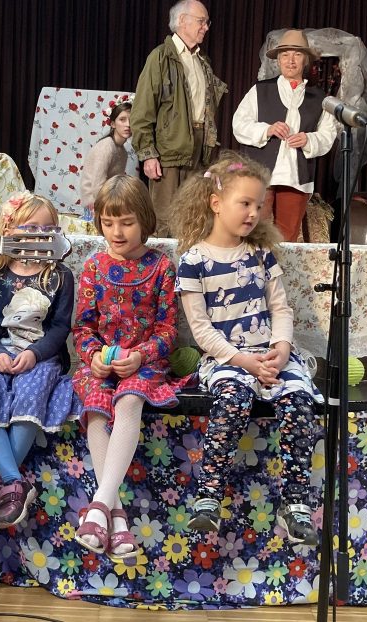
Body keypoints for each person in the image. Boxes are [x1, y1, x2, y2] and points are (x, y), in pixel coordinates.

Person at [173, 151, 324, 546]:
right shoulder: (193, 261)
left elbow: (281, 308)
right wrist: (244, 362)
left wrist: (282, 349)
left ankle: (295, 504)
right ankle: (209, 497)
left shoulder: (261, 255)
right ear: (216, 203)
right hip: (228, 358)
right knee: (233, 400)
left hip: (270, 355)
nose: (254, 213)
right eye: (245, 203)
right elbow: (201, 329)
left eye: (259, 205)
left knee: (298, 402)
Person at [72, 175, 185, 558]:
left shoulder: (162, 266)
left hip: (145, 364)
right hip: (101, 365)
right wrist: (93, 356)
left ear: (145, 221)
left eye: (126, 222)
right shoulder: (93, 267)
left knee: (129, 400)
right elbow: (83, 327)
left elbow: (168, 330)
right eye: (108, 222)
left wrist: (140, 356)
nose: (116, 232)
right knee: (95, 408)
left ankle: (99, 506)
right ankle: (117, 520)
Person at [0, 192, 78, 529]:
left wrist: (35, 354)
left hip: (42, 356)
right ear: (9, 230)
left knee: (32, 389)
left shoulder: (60, 275)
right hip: (0, 353)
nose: (40, 235)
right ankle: (15, 481)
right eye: (31, 227)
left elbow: (60, 327)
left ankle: (4, 481)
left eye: (48, 229)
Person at [232, 29, 340, 242]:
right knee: (255, 233)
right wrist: (267, 129)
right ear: (278, 60)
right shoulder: (260, 90)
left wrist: (309, 140)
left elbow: (328, 134)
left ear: (305, 60)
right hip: (261, 174)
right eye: (285, 55)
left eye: (297, 55)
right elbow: (239, 125)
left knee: (287, 238)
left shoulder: (319, 98)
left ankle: (281, 266)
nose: (290, 60)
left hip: (296, 177)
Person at [131, 0, 227, 236]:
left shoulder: (202, 61)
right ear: (182, 20)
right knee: (163, 219)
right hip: (169, 149)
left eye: (207, 22)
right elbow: (142, 109)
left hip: (198, 149)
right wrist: (148, 154)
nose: (206, 27)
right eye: (201, 21)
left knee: (191, 217)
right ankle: (161, 261)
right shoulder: (160, 57)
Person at [79, 102, 133, 221]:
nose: (128, 125)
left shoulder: (122, 151)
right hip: (95, 203)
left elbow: (116, 183)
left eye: (131, 120)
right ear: (113, 124)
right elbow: (97, 186)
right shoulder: (106, 146)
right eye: (122, 120)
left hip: (109, 200)